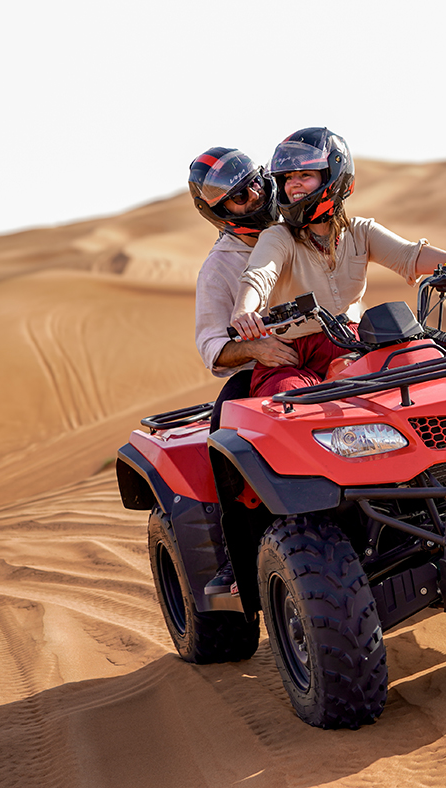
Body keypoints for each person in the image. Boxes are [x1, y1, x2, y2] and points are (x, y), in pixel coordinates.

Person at [229, 128, 446, 398]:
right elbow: (259, 275)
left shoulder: (360, 232)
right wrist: (244, 310)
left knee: (417, 374)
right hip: (293, 358)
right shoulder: (278, 237)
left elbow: (408, 255)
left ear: (332, 177)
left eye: (304, 175)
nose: (293, 184)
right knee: (289, 402)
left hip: (352, 344)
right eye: (287, 178)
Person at [187, 146, 287, 596]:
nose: (254, 196)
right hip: (265, 370)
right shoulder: (219, 267)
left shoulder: (298, 225)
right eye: (239, 196)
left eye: (255, 183)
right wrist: (256, 348)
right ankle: (239, 559)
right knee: (225, 437)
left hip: (335, 348)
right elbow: (211, 347)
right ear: (220, 211)